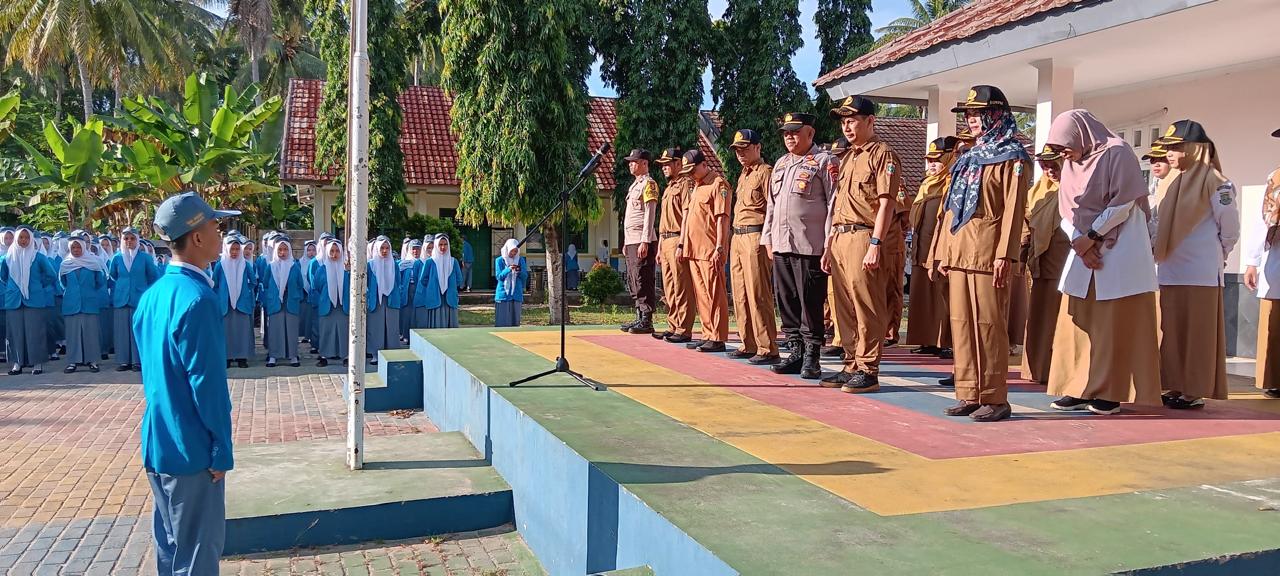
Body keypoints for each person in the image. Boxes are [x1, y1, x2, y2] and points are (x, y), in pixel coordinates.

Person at [135, 191, 239, 575]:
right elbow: (207, 386)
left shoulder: (153, 296)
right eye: (215, 226)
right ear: (196, 237)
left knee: (171, 550)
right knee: (197, 555)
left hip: (158, 440)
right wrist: (221, 448)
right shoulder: (198, 299)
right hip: (192, 448)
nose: (220, 232)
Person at [1044, 109, 1161, 415]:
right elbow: (1067, 211)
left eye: (1064, 145)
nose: (1062, 153)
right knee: (1080, 324)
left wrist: (1092, 236)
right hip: (1084, 252)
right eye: (1057, 148)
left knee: (1114, 324)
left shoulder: (1117, 153)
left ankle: (1110, 391)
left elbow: (1124, 202)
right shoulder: (1071, 164)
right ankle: (1078, 386)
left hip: (1119, 248)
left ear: (1080, 134)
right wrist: (1080, 242)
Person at [928, 85, 1030, 422]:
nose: (972, 120)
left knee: (989, 325)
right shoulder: (968, 157)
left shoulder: (1012, 156)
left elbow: (1014, 209)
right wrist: (943, 251)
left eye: (978, 113)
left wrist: (1005, 255)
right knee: (961, 324)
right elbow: (950, 209)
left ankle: (995, 397)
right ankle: (969, 391)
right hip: (959, 250)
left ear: (996, 113)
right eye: (969, 114)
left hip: (988, 253)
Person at [1150, 120, 1239, 409]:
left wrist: (1220, 253)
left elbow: (1230, 227)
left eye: (1176, 147)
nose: (1170, 153)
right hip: (1170, 270)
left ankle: (1194, 390)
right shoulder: (1171, 182)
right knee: (1172, 332)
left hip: (1201, 272)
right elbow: (1157, 223)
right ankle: (1175, 384)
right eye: (1169, 147)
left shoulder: (1217, 182)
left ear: (1194, 148)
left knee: (1198, 333)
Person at [820, 96, 903, 392]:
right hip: (841, 237)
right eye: (844, 122)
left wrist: (876, 243)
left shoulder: (883, 154)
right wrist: (829, 244)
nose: (847, 127)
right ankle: (851, 363)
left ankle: (868, 368)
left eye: (852, 120)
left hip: (864, 235)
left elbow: (886, 203)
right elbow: (838, 205)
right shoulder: (848, 157)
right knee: (843, 306)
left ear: (870, 121)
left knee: (867, 304)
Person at [763, 112, 838, 379]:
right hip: (782, 243)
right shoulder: (781, 163)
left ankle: (812, 357)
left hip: (810, 245)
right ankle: (795, 351)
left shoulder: (825, 161)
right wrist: (768, 238)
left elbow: (834, 203)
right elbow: (772, 205)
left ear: (810, 133)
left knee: (810, 302)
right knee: (787, 300)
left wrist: (830, 243)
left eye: (795, 132)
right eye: (786, 133)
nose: (789, 137)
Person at [726, 130, 780, 364]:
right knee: (740, 294)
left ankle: (767, 347)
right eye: (737, 150)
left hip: (755, 236)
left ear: (758, 148)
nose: (740, 154)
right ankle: (748, 342)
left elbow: (773, 208)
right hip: (738, 236)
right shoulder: (743, 174)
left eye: (745, 149)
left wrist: (769, 239)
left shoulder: (766, 172)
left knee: (758, 293)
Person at [1019, 146, 1072, 385]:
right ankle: (1037, 368)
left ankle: (1057, 371)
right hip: (1040, 262)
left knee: (1059, 317)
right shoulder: (1037, 192)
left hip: (1063, 263)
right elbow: (1026, 224)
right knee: (1039, 315)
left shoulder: (1075, 190)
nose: (1050, 171)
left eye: (1055, 165)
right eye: (1045, 166)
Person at [906, 137, 958, 359]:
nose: (932, 165)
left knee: (941, 298)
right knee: (923, 296)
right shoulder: (926, 185)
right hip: (922, 249)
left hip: (939, 250)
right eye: (929, 160)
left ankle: (945, 342)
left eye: (936, 160)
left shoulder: (951, 184)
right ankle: (927, 339)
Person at [676, 149, 731, 352]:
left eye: (693, 170)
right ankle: (708, 333)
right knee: (702, 295)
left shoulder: (718, 184)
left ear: (704, 165)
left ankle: (717, 337)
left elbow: (722, 218)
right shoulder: (697, 186)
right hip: (694, 249)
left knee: (714, 293)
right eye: (687, 172)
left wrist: (719, 246)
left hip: (709, 249)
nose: (691, 174)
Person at [1246, 127, 1280, 397]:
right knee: (1274, 325)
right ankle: (1276, 380)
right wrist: (1252, 260)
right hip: (1276, 259)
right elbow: (1263, 222)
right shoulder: (1276, 179)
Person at [652, 147, 697, 343]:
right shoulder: (669, 187)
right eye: (662, 165)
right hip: (666, 239)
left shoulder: (685, 183)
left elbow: (687, 214)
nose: (664, 168)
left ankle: (684, 328)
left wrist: (682, 242)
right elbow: (663, 220)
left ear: (678, 164)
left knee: (682, 286)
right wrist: (660, 247)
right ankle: (673, 325)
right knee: (669, 287)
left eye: (667, 164)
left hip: (678, 237)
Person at [1, 227, 58, 375]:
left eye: (27, 238)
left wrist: (37, 286)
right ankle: (17, 363)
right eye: (21, 237)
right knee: (15, 333)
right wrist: (16, 287)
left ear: (31, 239)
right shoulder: (7, 258)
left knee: (35, 331)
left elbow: (51, 275)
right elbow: (3, 276)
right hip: (14, 300)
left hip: (34, 299)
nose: (24, 240)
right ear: (16, 239)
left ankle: (37, 363)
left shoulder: (38, 257)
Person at [108, 228, 161, 372]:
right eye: (126, 239)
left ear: (137, 240)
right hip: (121, 298)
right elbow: (113, 275)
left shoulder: (145, 258)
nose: (129, 241)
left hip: (139, 298)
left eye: (132, 238)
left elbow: (153, 277)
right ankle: (123, 361)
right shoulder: (117, 258)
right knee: (121, 331)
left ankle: (138, 361)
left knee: (138, 329)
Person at [620, 149, 660, 334]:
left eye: (634, 161)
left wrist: (645, 240)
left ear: (644, 163)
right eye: (630, 161)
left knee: (643, 278)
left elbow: (649, 215)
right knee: (633, 279)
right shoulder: (634, 185)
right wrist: (626, 242)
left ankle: (646, 319)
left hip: (642, 239)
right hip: (632, 240)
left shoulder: (649, 184)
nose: (630, 164)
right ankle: (639, 315)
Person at [822, 137, 851, 359]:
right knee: (834, 293)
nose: (837, 161)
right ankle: (841, 339)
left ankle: (855, 345)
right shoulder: (835, 180)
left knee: (854, 295)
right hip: (835, 238)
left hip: (857, 238)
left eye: (841, 156)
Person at [59, 236, 105, 373]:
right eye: (73, 247)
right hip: (71, 303)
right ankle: (73, 362)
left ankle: (93, 361)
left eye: (79, 247)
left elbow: (100, 282)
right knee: (72, 334)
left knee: (91, 333)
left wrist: (88, 292)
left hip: (89, 302)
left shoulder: (93, 263)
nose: (76, 250)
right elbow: (63, 283)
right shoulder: (65, 264)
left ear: (84, 247)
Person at [214, 236, 256, 369]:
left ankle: (242, 357)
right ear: (227, 249)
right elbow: (215, 283)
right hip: (225, 305)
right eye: (232, 249)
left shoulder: (245, 264)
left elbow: (253, 281)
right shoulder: (220, 265)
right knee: (226, 331)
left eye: (237, 249)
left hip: (242, 304)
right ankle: (226, 357)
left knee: (242, 331)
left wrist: (245, 291)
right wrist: (220, 296)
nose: (234, 252)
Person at [262, 239, 304, 368]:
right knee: (275, 328)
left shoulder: (294, 266)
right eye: (280, 249)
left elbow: (300, 283)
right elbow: (265, 283)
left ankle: (293, 355)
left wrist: (293, 293)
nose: (282, 252)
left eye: (285, 249)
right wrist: (272, 295)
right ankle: (273, 356)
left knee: (291, 329)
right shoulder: (271, 266)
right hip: (275, 302)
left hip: (290, 301)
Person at [314, 239, 351, 367]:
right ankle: (324, 356)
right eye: (331, 251)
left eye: (337, 251)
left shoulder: (346, 270)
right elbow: (317, 285)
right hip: (327, 305)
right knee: (326, 331)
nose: (334, 254)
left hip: (343, 306)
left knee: (344, 331)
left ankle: (346, 355)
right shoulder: (322, 269)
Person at [367, 237, 402, 362]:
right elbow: (367, 282)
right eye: (382, 248)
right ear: (377, 249)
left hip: (392, 299)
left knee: (392, 327)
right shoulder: (370, 265)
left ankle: (392, 353)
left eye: (387, 248)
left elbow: (398, 281)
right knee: (376, 327)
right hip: (376, 300)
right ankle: (375, 354)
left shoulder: (394, 264)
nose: (385, 251)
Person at [418, 234, 463, 328]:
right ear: (436, 245)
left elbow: (459, 280)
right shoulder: (430, 262)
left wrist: (450, 286)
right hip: (435, 298)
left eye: (445, 244)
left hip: (449, 299)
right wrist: (433, 286)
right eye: (440, 244)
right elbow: (423, 279)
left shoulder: (453, 261)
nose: (443, 247)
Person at [495, 239, 529, 327]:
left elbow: (525, 276)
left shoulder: (520, 260)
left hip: (516, 293)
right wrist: (508, 269)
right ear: (507, 249)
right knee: (502, 321)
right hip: (503, 294)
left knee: (515, 322)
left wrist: (518, 271)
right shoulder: (500, 260)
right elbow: (499, 277)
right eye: (511, 251)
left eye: (515, 251)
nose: (513, 253)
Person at [399, 239, 422, 342]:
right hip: (407, 290)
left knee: (417, 313)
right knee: (407, 313)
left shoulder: (423, 262)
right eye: (413, 249)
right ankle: (406, 335)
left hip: (419, 290)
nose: (415, 251)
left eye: (418, 249)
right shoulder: (404, 263)